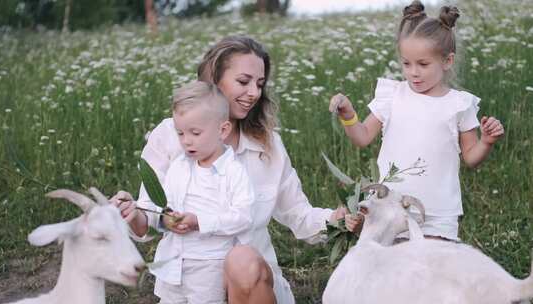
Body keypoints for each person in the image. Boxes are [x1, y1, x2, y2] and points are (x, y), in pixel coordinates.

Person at [111, 36, 348, 304]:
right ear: (214, 81)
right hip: (189, 281)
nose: (254, 93)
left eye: (259, 84)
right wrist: (131, 212)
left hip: (250, 285)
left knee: (241, 259)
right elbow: (151, 217)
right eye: (243, 82)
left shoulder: (268, 145)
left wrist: (338, 220)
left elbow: (298, 214)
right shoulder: (171, 135)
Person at [332, 1, 504, 241]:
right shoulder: (393, 95)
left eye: (423, 64)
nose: (413, 72)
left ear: (447, 61)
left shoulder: (458, 105)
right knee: (390, 268)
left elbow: (471, 158)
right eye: (406, 63)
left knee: (433, 270)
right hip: (389, 207)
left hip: (437, 213)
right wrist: (348, 116)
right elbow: (363, 137)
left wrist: (486, 141)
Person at [122, 80, 254, 303]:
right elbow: (163, 210)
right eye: (180, 133)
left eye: (195, 133)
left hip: (209, 266)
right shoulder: (179, 167)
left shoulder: (233, 172)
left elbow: (243, 216)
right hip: (173, 263)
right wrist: (144, 213)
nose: (186, 141)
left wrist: (199, 222)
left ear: (222, 130)